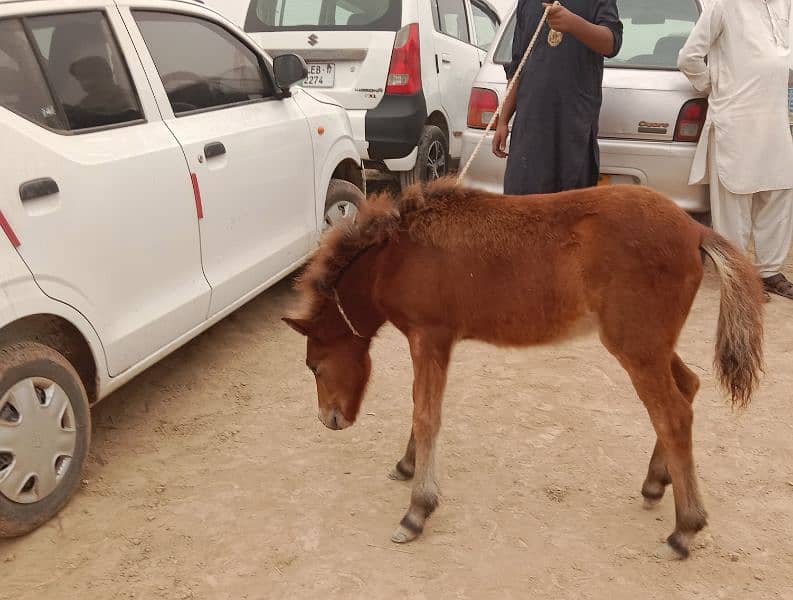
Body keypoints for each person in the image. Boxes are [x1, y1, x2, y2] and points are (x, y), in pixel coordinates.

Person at [678, 0, 793, 300]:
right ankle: (738, 274)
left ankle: (769, 272)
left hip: (774, 119)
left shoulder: (786, 5)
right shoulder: (724, 5)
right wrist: (714, 86)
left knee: (780, 192)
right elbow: (688, 57)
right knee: (735, 197)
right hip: (735, 118)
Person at [492, 0, 623, 195]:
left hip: (572, 132)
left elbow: (612, 43)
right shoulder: (526, 3)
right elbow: (518, 66)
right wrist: (503, 120)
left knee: (571, 214)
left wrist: (573, 23)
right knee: (522, 208)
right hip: (529, 130)